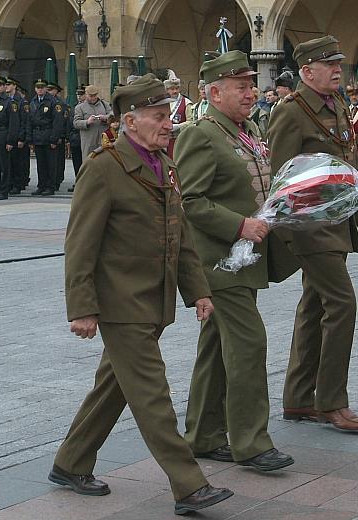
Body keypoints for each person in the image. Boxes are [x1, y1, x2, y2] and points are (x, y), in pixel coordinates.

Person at [50, 73, 233, 516]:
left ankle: (70, 462)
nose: (168, 123)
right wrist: (82, 308)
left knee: (114, 386)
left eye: (168, 114)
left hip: (154, 300)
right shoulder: (104, 167)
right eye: (157, 116)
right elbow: (81, 244)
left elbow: (180, 236)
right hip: (120, 303)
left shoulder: (164, 164)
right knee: (152, 394)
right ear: (130, 121)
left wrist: (198, 291)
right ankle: (189, 485)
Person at [175, 50, 296, 472]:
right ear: (214, 93)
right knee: (248, 343)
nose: (251, 93)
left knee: (215, 348)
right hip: (218, 262)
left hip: (244, 259)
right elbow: (190, 200)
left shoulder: (247, 129)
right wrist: (239, 225)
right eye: (241, 87)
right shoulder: (200, 134)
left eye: (251, 86)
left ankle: (204, 435)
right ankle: (251, 442)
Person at [267, 35, 358, 431]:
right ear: (306, 71)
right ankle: (332, 401)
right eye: (329, 64)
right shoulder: (291, 112)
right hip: (309, 227)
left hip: (336, 222)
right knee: (342, 303)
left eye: (338, 63)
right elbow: (280, 177)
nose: (338, 70)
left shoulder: (337, 103)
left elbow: (348, 162)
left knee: (315, 305)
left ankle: (299, 398)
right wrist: (290, 228)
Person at [28, 79, 59, 196]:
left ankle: (50, 186)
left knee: (50, 163)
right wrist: (30, 138)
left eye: (42, 87)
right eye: (38, 87)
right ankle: (41, 185)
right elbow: (29, 120)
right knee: (40, 164)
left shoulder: (52, 101)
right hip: (37, 135)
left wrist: (54, 138)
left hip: (48, 134)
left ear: (46, 88)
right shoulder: (33, 101)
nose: (40, 89)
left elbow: (57, 121)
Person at [73, 84, 112, 162]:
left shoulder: (105, 105)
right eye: (91, 96)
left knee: (104, 162)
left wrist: (105, 118)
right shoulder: (80, 107)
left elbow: (112, 116)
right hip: (88, 142)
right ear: (86, 94)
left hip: (103, 140)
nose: (93, 98)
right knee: (89, 163)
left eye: (95, 95)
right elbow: (76, 123)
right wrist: (87, 122)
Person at [6, 78, 29, 194]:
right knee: (8, 163)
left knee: (17, 162)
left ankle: (17, 184)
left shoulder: (21, 102)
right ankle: (9, 183)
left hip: (17, 137)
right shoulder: (5, 100)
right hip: (7, 136)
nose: (6, 86)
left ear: (14, 86)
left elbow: (24, 121)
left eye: (8, 84)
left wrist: (21, 138)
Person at [46, 83, 69, 192]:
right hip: (48, 135)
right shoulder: (47, 101)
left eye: (51, 89)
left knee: (57, 161)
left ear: (56, 91)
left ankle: (57, 180)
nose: (49, 91)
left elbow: (63, 122)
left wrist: (61, 136)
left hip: (58, 136)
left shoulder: (60, 103)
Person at [164, 73, 192, 157]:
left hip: (181, 141)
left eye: (177, 88)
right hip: (165, 141)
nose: (175, 91)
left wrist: (178, 126)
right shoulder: (163, 103)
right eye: (172, 89)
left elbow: (192, 122)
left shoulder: (186, 103)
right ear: (167, 90)